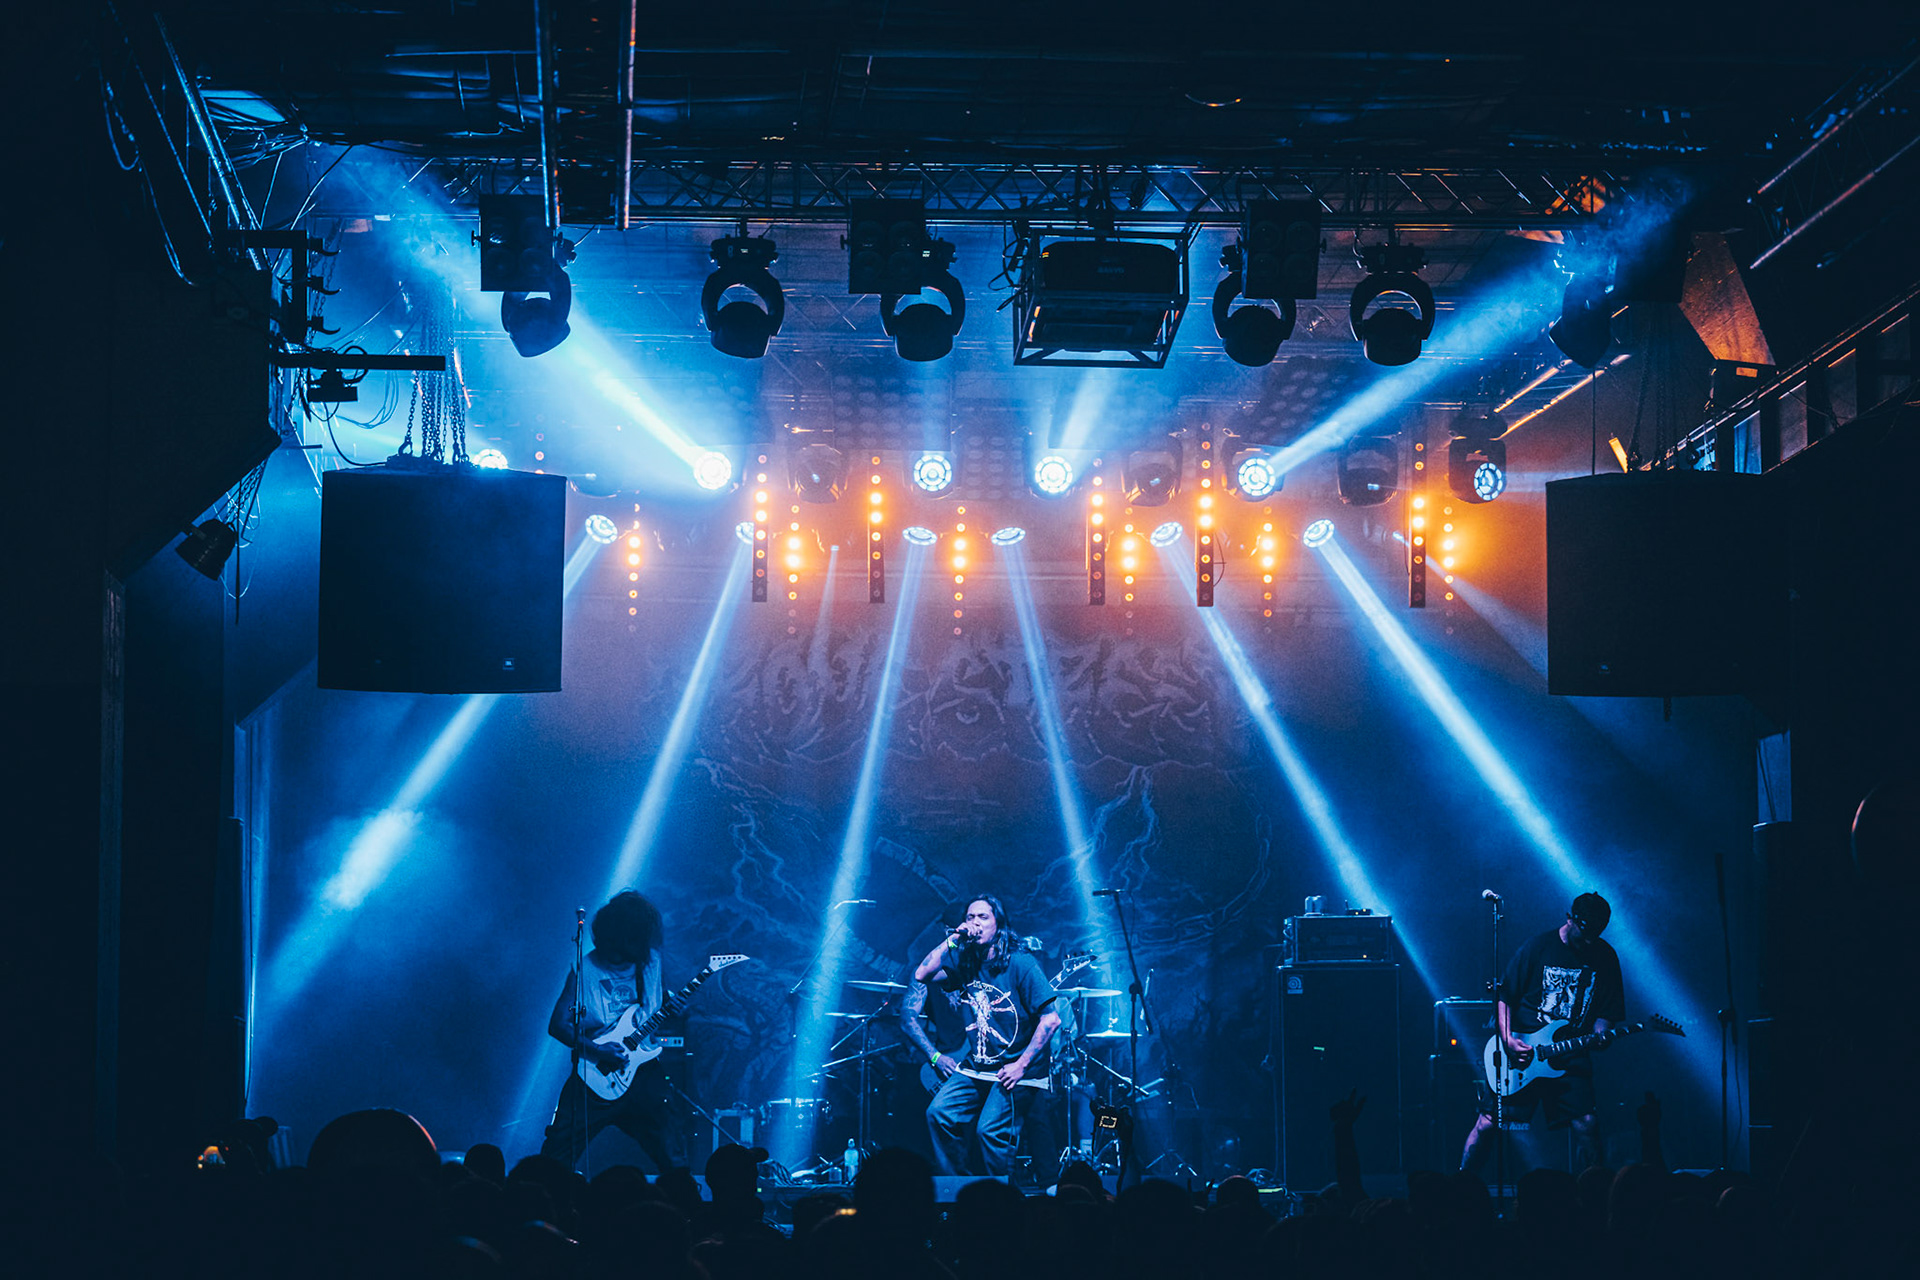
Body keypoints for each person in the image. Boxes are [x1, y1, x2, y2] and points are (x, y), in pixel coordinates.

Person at [1461, 892, 1625, 1174]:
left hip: (1570, 1056)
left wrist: (1602, 1034)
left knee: (1587, 1124)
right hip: (1523, 1054)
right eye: (1585, 931)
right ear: (1570, 918)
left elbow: (1607, 1012)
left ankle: (1596, 1192)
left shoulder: (1605, 956)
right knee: (1488, 1123)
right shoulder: (1537, 947)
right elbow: (1505, 997)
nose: (1589, 940)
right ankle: (1461, 1184)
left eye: (1596, 933)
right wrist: (1508, 1040)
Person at [901, 895, 1062, 1177]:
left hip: (1016, 1068)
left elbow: (1051, 1019)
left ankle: (1001, 1197)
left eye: (983, 917)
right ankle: (960, 1189)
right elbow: (922, 974)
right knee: (939, 1113)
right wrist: (954, 938)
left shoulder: (1021, 963)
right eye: (970, 917)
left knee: (989, 1131)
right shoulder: (965, 962)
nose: (975, 923)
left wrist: (1021, 1065)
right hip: (978, 1066)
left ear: (999, 925)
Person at [540, 891, 684, 1171]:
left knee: (672, 1151)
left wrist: (672, 1006)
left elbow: (654, 1003)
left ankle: (682, 1195)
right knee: (555, 1156)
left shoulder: (652, 961)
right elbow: (558, 1025)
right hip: (595, 1072)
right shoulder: (585, 970)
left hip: (643, 1072)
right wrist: (598, 1050)